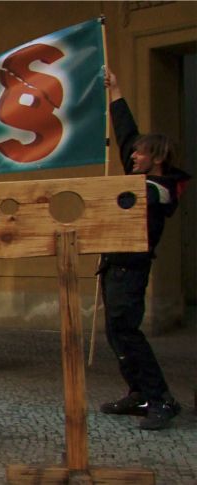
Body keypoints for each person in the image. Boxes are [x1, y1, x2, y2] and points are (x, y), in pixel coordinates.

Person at [98, 67, 189, 430]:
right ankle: (139, 392)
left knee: (127, 331)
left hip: (130, 268)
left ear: (158, 158)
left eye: (140, 155)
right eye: (133, 154)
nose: (133, 157)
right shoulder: (140, 177)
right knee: (116, 332)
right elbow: (126, 134)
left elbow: (147, 197)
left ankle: (161, 397)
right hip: (112, 265)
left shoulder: (158, 190)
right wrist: (116, 92)